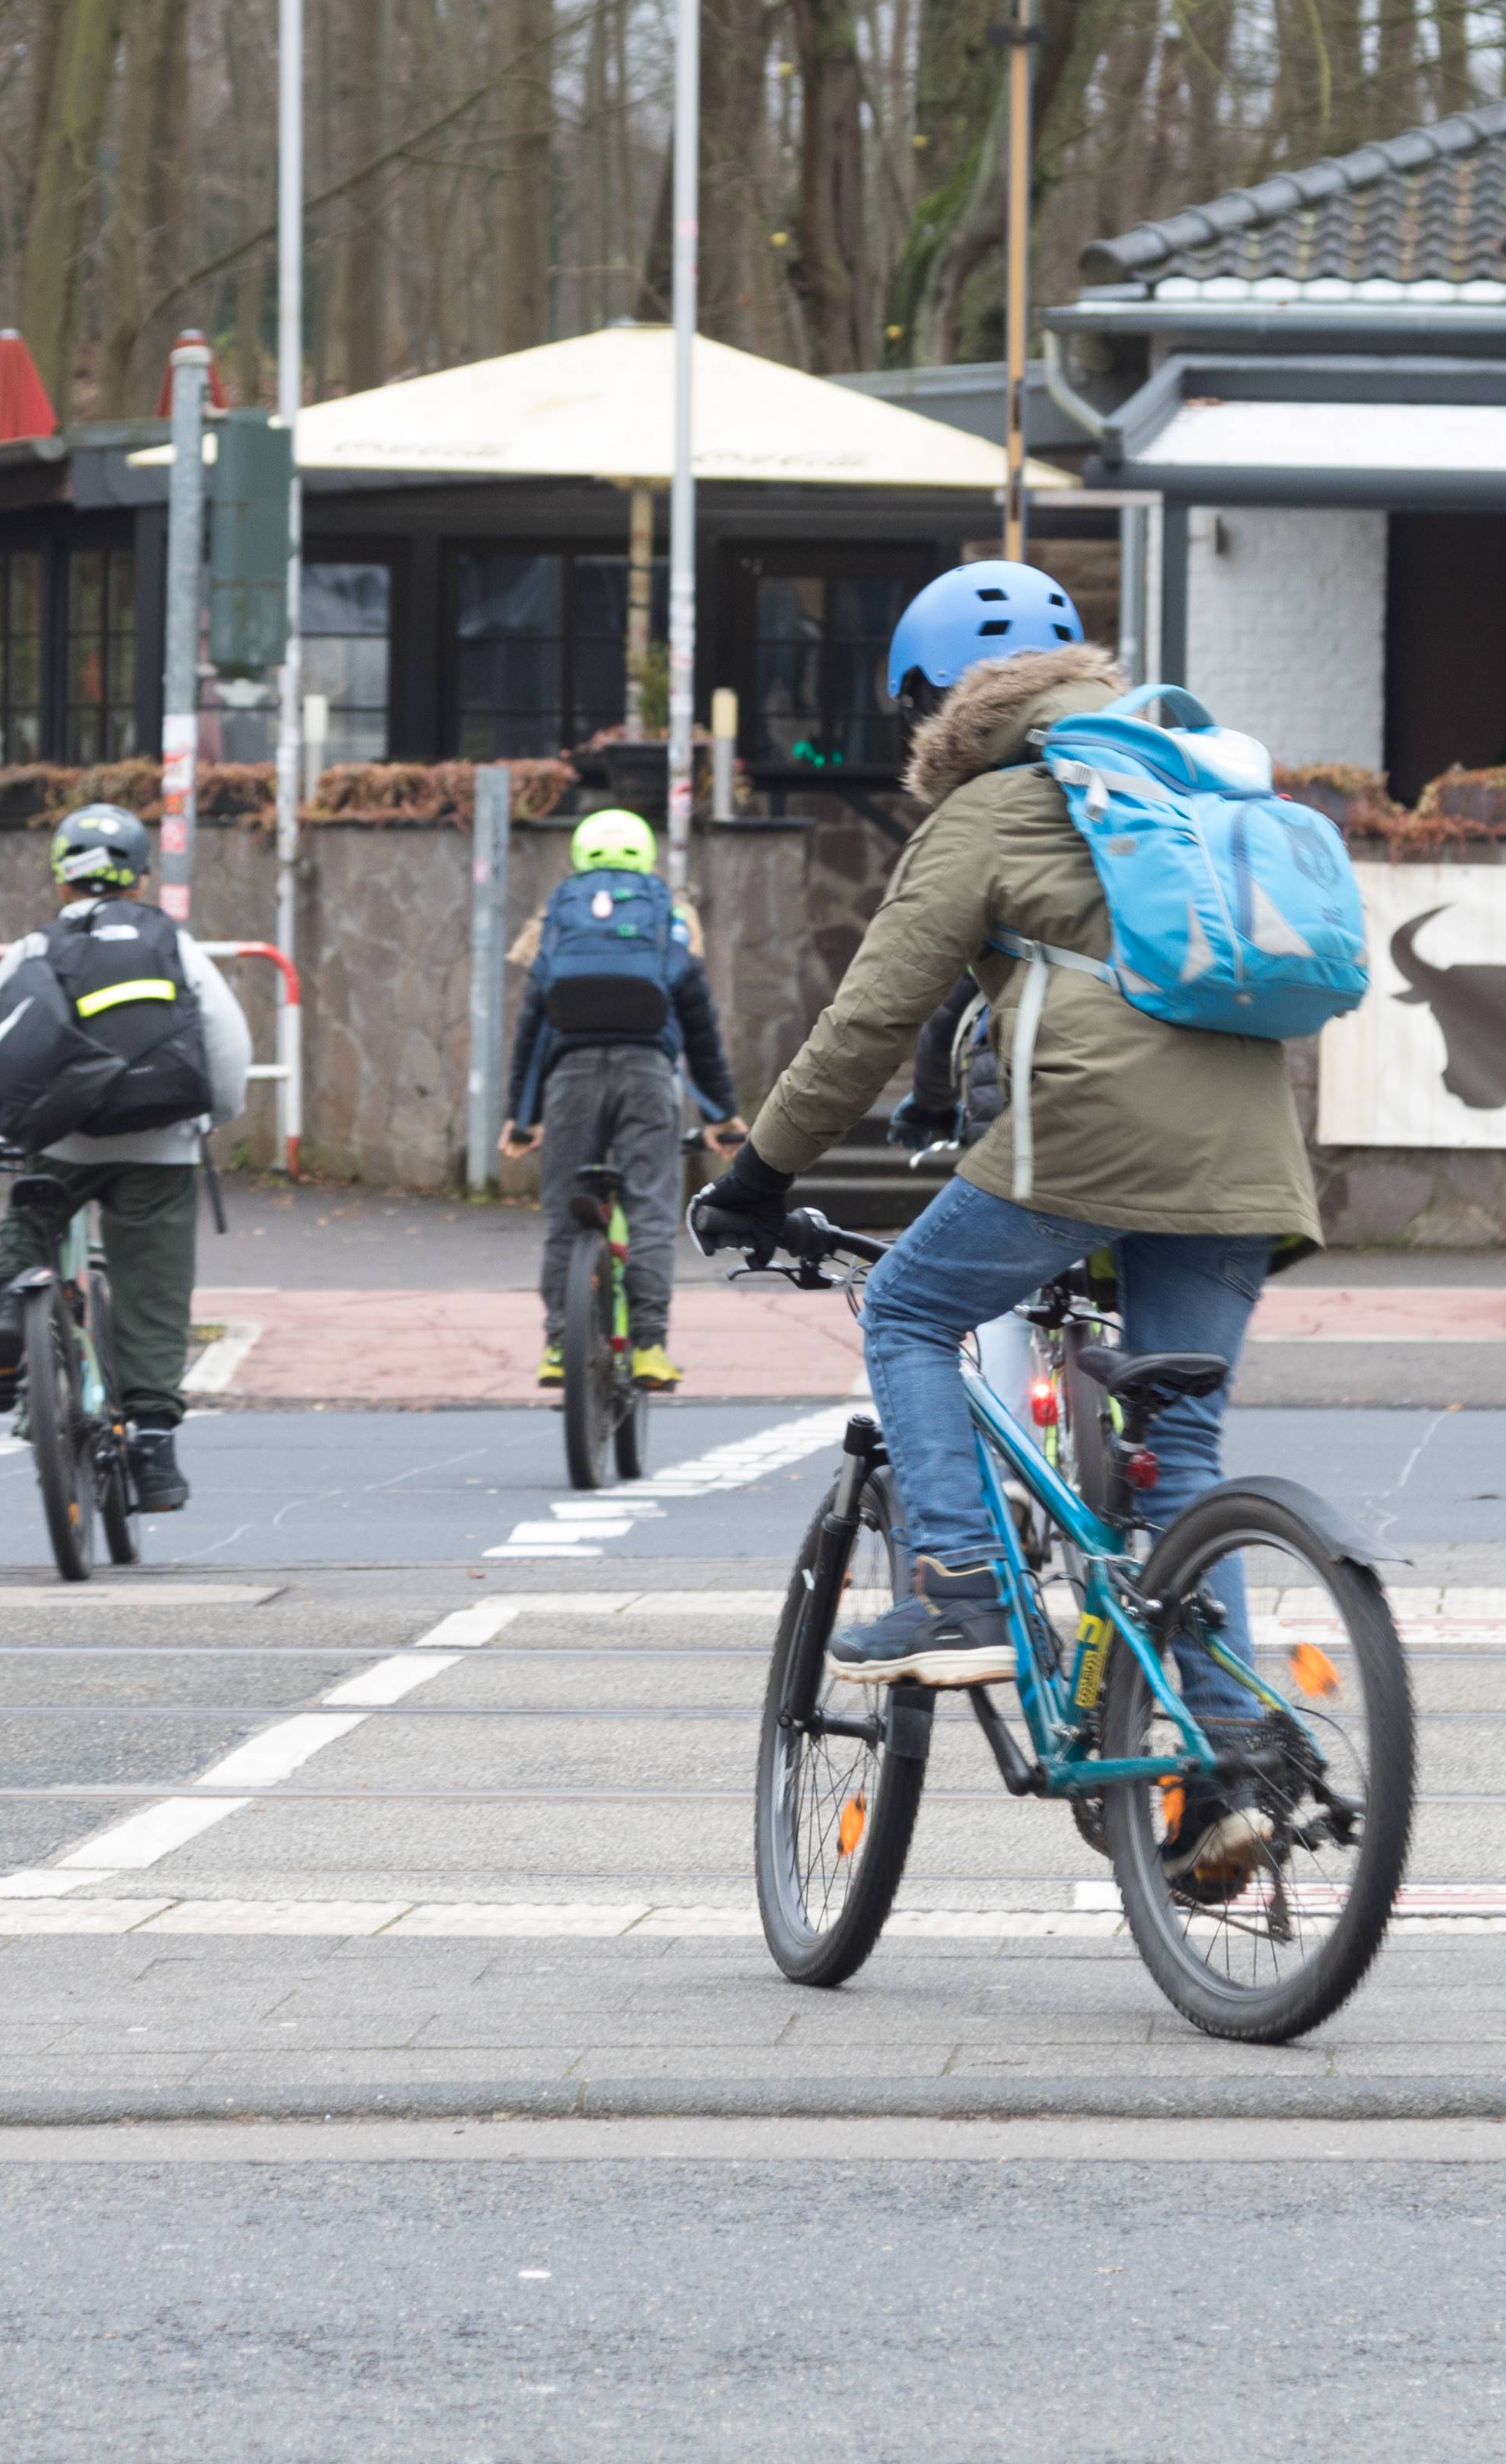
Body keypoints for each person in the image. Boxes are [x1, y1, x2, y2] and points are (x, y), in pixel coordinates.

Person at [693, 560, 1314, 1768]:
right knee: (1176, 1454)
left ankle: (961, 1584)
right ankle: (1233, 1754)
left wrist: (758, 1174)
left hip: (1083, 1141)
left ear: (933, 705)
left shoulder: (982, 813)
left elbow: (869, 1019)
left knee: (912, 1310)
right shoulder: (1188, 785)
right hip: (1250, 1155)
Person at [0, 802, 253, 1515]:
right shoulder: (173, 943)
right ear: (139, 875)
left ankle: (14, 1305)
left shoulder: (34, 949)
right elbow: (226, 1036)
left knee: (33, 1219)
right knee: (154, 1290)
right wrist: (210, 1116)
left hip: (60, 1137)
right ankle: (153, 1444)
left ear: (60, 877)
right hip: (161, 1142)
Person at [499, 806, 744, 1392]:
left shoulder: (555, 918)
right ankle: (651, 1348)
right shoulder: (671, 916)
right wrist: (721, 1115)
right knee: (652, 1212)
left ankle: (559, 1346)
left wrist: (523, 1117)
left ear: (579, 856)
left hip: (570, 1078)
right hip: (647, 1075)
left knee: (564, 1215)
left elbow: (532, 1029)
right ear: (648, 857)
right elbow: (698, 1024)